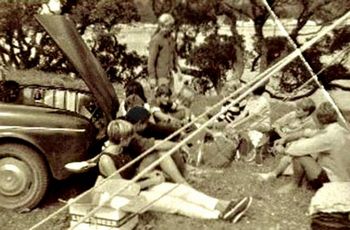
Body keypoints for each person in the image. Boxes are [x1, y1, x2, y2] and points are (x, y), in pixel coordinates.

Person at [97, 119, 253, 223]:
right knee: (174, 203)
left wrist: (147, 175)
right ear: (122, 139)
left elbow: (132, 175)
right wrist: (151, 181)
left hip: (139, 186)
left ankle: (224, 205)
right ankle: (219, 216)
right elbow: (123, 189)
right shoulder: (107, 159)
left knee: (180, 190)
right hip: (126, 198)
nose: (132, 139)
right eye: (129, 137)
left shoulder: (122, 149)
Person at [277, 102, 350, 193]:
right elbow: (307, 132)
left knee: (300, 156)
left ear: (319, 120)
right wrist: (284, 140)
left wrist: (283, 149)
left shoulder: (327, 137)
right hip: (346, 178)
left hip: (333, 182)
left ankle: (293, 185)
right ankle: (304, 183)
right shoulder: (340, 130)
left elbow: (295, 149)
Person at [147, 13, 178, 91]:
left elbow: (174, 55)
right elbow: (151, 61)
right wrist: (152, 78)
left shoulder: (171, 38)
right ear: (162, 26)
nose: (171, 29)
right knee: (161, 100)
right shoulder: (156, 40)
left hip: (170, 75)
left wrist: (178, 69)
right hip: (160, 77)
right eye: (169, 26)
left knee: (170, 100)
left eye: (172, 26)